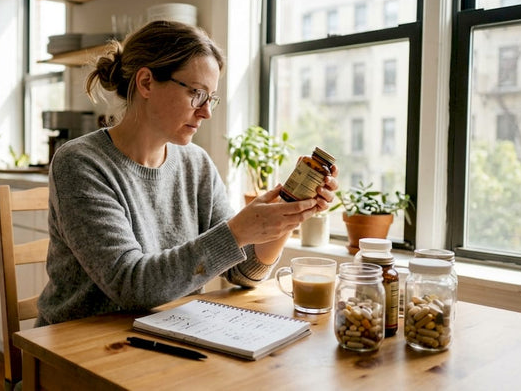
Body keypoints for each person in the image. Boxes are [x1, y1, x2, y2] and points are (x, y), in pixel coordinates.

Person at [36, 20, 338, 326]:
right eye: (197, 93)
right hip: (78, 347)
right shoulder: (80, 163)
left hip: (168, 334)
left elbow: (244, 273)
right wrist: (236, 231)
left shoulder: (196, 164)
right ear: (146, 83)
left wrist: (288, 215)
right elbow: (131, 287)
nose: (206, 111)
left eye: (211, 98)